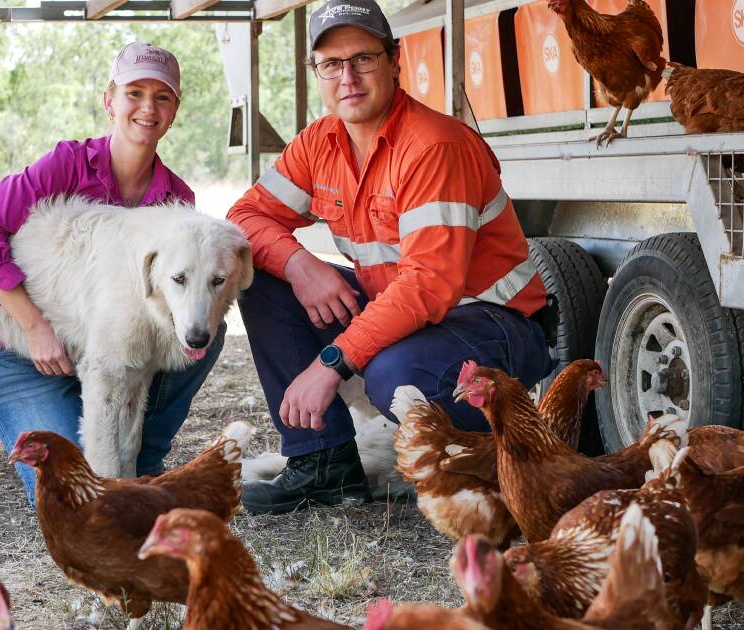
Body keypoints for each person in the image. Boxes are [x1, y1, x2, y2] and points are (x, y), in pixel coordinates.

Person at [226, 0, 554, 515]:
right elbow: (243, 219)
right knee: (262, 280)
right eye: (331, 65)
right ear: (318, 72)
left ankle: (498, 462)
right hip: (408, 313)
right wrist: (299, 265)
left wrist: (331, 363)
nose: (348, 78)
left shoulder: (433, 146)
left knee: (392, 375)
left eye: (363, 59)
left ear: (394, 61)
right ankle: (324, 467)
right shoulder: (320, 143)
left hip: (494, 324)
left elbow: (428, 284)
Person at [0, 42, 223, 503]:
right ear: (110, 100)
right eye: (134, 92)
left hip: (116, 357)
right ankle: (114, 462)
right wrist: (34, 326)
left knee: (204, 327)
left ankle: (142, 459)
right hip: (32, 357)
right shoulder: (66, 164)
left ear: (175, 109)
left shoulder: (175, 202)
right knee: (69, 488)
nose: (147, 107)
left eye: (162, 97)